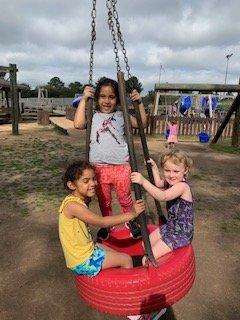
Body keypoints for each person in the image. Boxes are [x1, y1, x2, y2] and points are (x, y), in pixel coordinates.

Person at [74, 78, 147, 240]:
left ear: (118, 99)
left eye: (111, 97)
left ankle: (131, 221)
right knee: (104, 200)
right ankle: (107, 224)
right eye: (102, 96)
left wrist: (140, 103)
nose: (107, 101)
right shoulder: (92, 115)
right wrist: (84, 100)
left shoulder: (123, 115)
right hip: (98, 169)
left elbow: (142, 123)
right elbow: (78, 124)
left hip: (121, 166)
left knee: (125, 198)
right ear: (97, 98)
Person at [59, 160, 145, 277]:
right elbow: (102, 222)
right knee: (126, 259)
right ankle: (126, 291)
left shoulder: (74, 200)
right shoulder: (73, 206)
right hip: (83, 260)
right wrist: (132, 214)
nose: (93, 183)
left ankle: (117, 278)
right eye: (86, 181)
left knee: (114, 253)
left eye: (94, 179)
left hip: (84, 252)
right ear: (71, 185)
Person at [131, 150, 194, 266]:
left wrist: (143, 181)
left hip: (181, 233)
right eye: (167, 170)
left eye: (176, 171)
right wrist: (154, 168)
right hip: (171, 227)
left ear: (185, 170)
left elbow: (162, 196)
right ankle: (158, 257)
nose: (171, 175)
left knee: (148, 259)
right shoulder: (172, 181)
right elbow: (159, 183)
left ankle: (157, 274)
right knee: (146, 244)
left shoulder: (182, 187)